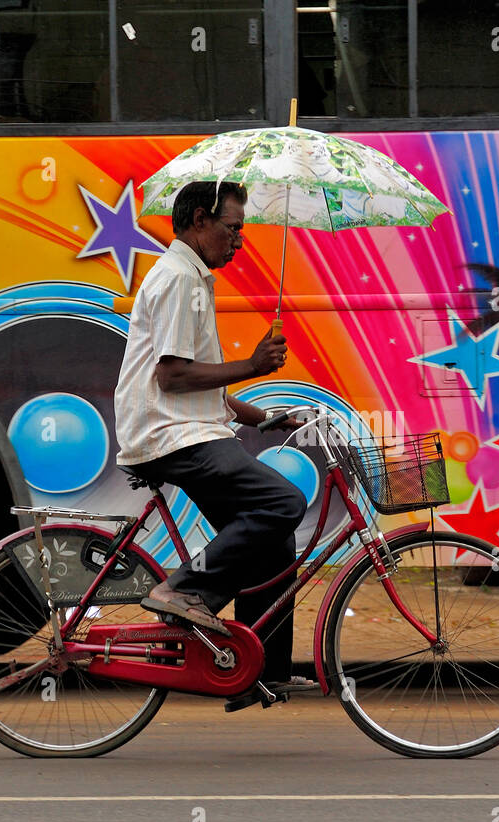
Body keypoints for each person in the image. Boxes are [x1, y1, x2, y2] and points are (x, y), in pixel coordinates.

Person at [113, 179, 311, 708]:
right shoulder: (179, 278)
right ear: (200, 221)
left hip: (187, 428)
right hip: (169, 435)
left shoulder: (193, 278)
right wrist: (251, 365)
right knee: (283, 501)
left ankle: (258, 670)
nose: (239, 241)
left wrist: (267, 417)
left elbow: (204, 393)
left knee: (272, 539)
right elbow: (174, 376)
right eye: (233, 228)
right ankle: (182, 591)